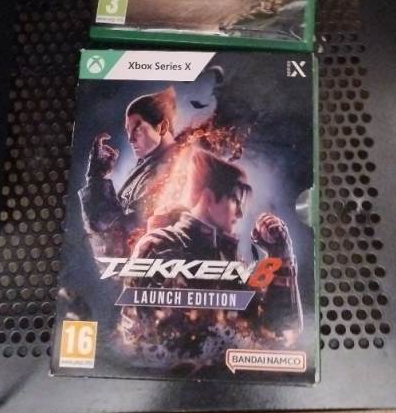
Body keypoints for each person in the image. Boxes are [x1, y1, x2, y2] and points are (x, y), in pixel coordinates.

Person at [119, 149, 302, 368]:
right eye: (235, 200)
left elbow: (277, 333)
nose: (240, 213)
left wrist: (280, 256)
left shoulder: (231, 262)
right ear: (208, 198)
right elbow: (135, 338)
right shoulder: (159, 247)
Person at [79, 86, 182, 256]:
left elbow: (120, 237)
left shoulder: (174, 170)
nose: (130, 138)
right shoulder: (149, 165)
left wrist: (96, 179)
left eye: (137, 128)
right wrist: (99, 177)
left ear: (162, 127)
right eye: (128, 130)